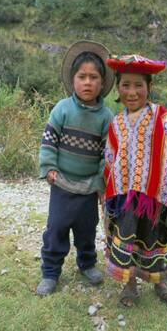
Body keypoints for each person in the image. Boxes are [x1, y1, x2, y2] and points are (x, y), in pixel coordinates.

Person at [103, 53, 167, 307]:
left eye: (138, 85)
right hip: (127, 198)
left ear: (149, 87)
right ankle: (130, 285)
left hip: (157, 197)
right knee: (128, 238)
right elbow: (110, 159)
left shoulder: (161, 116)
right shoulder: (116, 123)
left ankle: (160, 282)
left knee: (157, 238)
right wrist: (106, 190)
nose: (132, 92)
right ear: (118, 88)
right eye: (125, 85)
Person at [36, 40, 115, 296]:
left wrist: (102, 184)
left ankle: (87, 263)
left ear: (102, 83)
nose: (88, 82)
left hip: (89, 187)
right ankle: (50, 272)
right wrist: (48, 167)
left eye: (94, 77)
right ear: (73, 80)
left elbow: (108, 155)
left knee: (86, 229)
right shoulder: (62, 109)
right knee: (56, 227)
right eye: (82, 76)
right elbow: (49, 140)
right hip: (62, 183)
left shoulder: (106, 117)